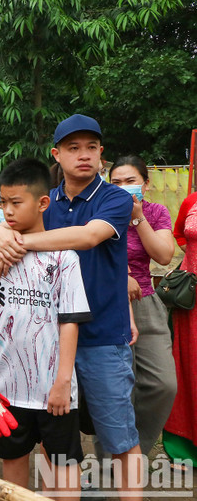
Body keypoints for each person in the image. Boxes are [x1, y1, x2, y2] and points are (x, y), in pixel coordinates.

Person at [0, 114, 142, 500]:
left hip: (102, 336)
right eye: (73, 148)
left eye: (91, 147)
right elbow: (7, 218)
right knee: (53, 436)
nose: (84, 155)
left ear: (101, 153)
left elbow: (88, 237)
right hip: (46, 342)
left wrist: (15, 241)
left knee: (118, 433)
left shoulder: (115, 199)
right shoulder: (45, 201)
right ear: (56, 154)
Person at [0, 158, 90, 499]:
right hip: (5, 386)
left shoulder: (63, 257)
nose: (6, 211)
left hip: (53, 387)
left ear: (42, 203)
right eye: (2, 203)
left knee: (64, 469)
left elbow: (69, 322)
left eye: (15, 202)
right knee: (12, 465)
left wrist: (62, 382)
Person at [107, 156, 177, 457]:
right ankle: (110, 459)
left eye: (131, 181)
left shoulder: (156, 211)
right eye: (116, 182)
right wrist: (121, 276)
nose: (124, 188)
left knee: (163, 385)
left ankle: (136, 449)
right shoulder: (101, 211)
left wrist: (137, 217)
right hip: (108, 304)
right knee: (115, 390)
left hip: (146, 302)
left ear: (145, 184)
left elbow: (163, 255)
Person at [163, 197, 197, 464]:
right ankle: (183, 448)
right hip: (191, 297)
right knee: (187, 365)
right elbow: (178, 232)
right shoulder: (192, 201)